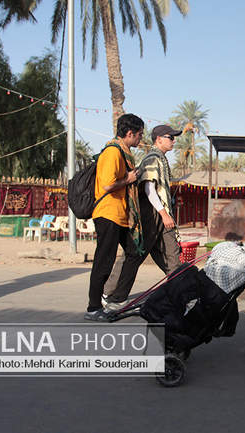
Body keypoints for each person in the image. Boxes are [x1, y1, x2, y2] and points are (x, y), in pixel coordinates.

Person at [103, 125, 183, 310]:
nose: (173, 141)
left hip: (161, 216)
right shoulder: (152, 158)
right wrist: (163, 214)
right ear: (159, 139)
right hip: (151, 214)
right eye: (170, 137)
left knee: (172, 255)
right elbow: (149, 189)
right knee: (135, 254)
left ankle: (182, 292)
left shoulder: (161, 158)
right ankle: (108, 292)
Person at [84, 113, 144, 321]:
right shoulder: (113, 152)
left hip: (121, 214)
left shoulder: (124, 153)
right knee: (104, 261)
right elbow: (107, 185)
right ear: (130, 133)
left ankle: (117, 299)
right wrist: (128, 179)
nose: (140, 138)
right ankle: (93, 307)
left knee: (134, 252)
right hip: (107, 213)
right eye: (139, 134)